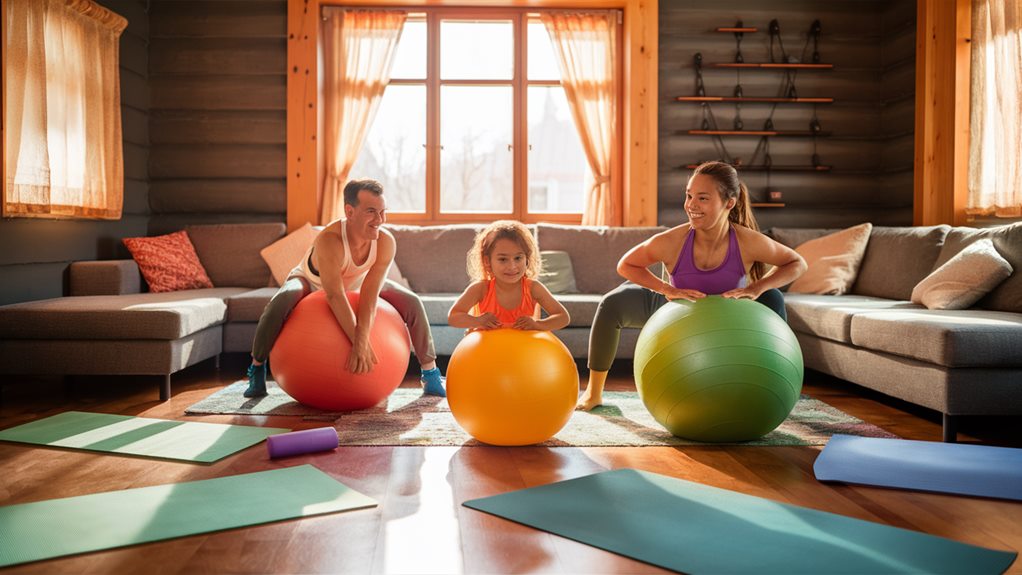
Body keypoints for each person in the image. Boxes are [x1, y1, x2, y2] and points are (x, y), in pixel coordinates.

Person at [577, 161, 808, 410]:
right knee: (613, 303)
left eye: (703, 198)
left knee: (772, 298)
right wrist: (666, 289)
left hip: (729, 314)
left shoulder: (747, 241)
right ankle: (593, 392)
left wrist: (756, 288)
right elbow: (626, 265)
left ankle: (777, 388)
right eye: (688, 196)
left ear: (729, 203)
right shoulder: (673, 240)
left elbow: (796, 263)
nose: (691, 205)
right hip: (679, 310)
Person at [244, 179, 446, 398]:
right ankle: (257, 367)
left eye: (382, 212)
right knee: (281, 300)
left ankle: (430, 373)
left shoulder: (385, 242)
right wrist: (357, 343)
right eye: (371, 212)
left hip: (359, 282)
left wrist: (363, 338)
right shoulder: (330, 240)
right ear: (350, 211)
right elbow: (334, 295)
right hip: (313, 281)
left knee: (412, 302)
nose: (380, 220)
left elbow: (370, 294)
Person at [448, 220, 570, 332]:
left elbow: (563, 317)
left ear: (527, 259)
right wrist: (478, 321)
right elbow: (454, 316)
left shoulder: (533, 288)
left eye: (518, 258)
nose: (512, 266)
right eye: (503, 259)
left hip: (525, 352)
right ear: (487, 261)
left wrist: (537, 324)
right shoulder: (481, 288)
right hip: (487, 352)